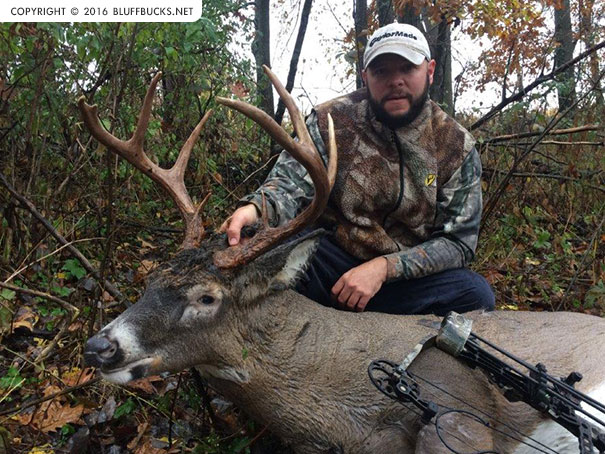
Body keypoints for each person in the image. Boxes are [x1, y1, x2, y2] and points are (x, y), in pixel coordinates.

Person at [221, 23, 495, 316]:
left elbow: (457, 243)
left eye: (407, 68)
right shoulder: (330, 121)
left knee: (475, 295)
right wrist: (256, 209)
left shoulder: (455, 146)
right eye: (381, 71)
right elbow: (290, 184)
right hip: (332, 267)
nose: (395, 81)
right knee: (257, 242)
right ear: (365, 77)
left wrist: (384, 268)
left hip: (406, 282)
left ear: (429, 71)